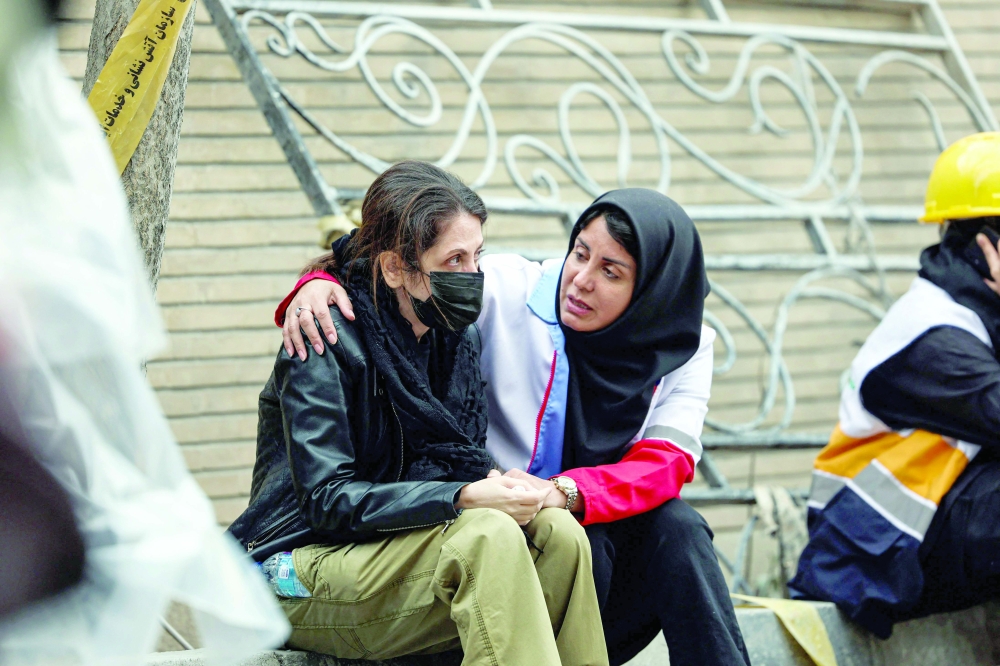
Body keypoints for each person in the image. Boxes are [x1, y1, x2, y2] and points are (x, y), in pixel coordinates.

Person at [278, 185, 751, 666]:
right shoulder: (508, 290)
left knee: (678, 529)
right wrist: (316, 281)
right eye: (580, 254)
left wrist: (564, 492)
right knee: (550, 538)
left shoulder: (684, 347)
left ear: (652, 290)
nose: (581, 280)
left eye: (610, 271)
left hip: (550, 524)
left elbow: (666, 465)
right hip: (482, 525)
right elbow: (394, 260)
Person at [228, 161, 608, 665]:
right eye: (453, 260)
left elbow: (459, 456)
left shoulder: (455, 339)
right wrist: (462, 496)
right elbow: (327, 501)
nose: (472, 276)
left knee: (559, 535)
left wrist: (496, 485)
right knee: (487, 535)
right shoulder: (325, 338)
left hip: (392, 556)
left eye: (476, 256)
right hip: (294, 572)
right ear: (394, 268)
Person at [788, 132, 1000, 638]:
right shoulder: (933, 334)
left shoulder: (981, 317)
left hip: (931, 534)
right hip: (872, 551)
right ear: (986, 247)